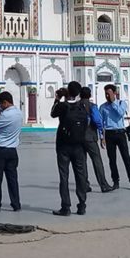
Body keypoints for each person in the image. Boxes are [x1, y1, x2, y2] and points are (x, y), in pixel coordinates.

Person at [51, 81, 90, 216]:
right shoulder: (82, 106)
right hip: (79, 145)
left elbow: (52, 114)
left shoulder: (63, 106)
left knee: (64, 176)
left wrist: (57, 99)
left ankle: (66, 207)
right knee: (80, 176)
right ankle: (82, 205)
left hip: (63, 146)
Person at [99, 84, 130, 189]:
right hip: (109, 134)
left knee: (126, 157)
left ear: (115, 93)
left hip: (120, 133)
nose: (107, 96)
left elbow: (120, 113)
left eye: (109, 93)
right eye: (106, 93)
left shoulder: (121, 103)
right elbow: (101, 123)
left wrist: (113, 103)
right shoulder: (103, 107)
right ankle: (115, 180)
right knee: (112, 159)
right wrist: (102, 137)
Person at [79, 86, 113, 193]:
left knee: (81, 162)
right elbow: (98, 121)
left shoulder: (76, 106)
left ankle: (84, 185)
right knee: (96, 160)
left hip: (78, 138)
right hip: (90, 137)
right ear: (89, 95)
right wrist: (102, 137)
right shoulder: (92, 106)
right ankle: (103, 185)